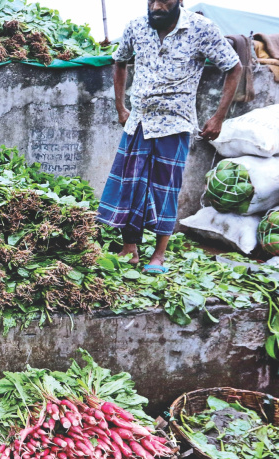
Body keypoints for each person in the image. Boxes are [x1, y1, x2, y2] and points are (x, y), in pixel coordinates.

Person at [97, 0, 242, 273]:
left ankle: (159, 255)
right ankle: (130, 248)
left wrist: (218, 116)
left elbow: (234, 67)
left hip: (174, 123)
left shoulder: (201, 28)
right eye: (152, 0)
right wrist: (121, 107)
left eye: (163, 0)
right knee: (131, 184)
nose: (156, 6)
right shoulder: (137, 26)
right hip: (139, 121)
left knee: (165, 189)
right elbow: (119, 62)